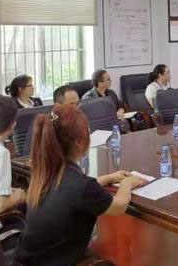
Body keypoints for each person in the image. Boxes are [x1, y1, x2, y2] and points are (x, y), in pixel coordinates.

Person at [15, 104, 145, 265]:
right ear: (79, 142)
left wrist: (109, 177)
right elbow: (119, 206)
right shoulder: (80, 186)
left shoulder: (46, 172)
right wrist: (127, 183)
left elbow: (73, 192)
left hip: (27, 260)